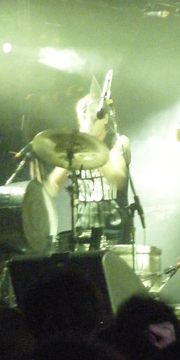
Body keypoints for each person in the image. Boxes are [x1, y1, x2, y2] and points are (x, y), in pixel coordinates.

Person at [45, 77, 131, 250]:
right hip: (84, 237)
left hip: (115, 236)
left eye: (91, 118)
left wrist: (92, 147)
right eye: (82, 118)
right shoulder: (76, 147)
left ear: (105, 118)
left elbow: (118, 178)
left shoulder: (118, 141)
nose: (86, 124)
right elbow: (52, 185)